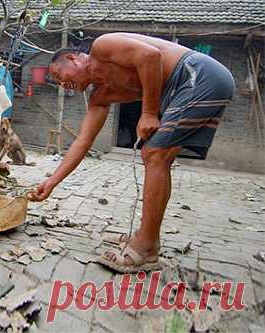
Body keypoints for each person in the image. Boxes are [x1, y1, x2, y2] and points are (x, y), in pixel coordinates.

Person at [27, 32, 235, 273]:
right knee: (159, 156)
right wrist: (51, 182)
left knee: (154, 153)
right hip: (183, 89)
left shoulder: (102, 47)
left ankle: (146, 247)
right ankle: (147, 240)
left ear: (73, 59)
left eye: (58, 75)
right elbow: (83, 142)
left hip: (197, 74)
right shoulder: (100, 96)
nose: (62, 85)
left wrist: (149, 112)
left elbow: (150, 55)